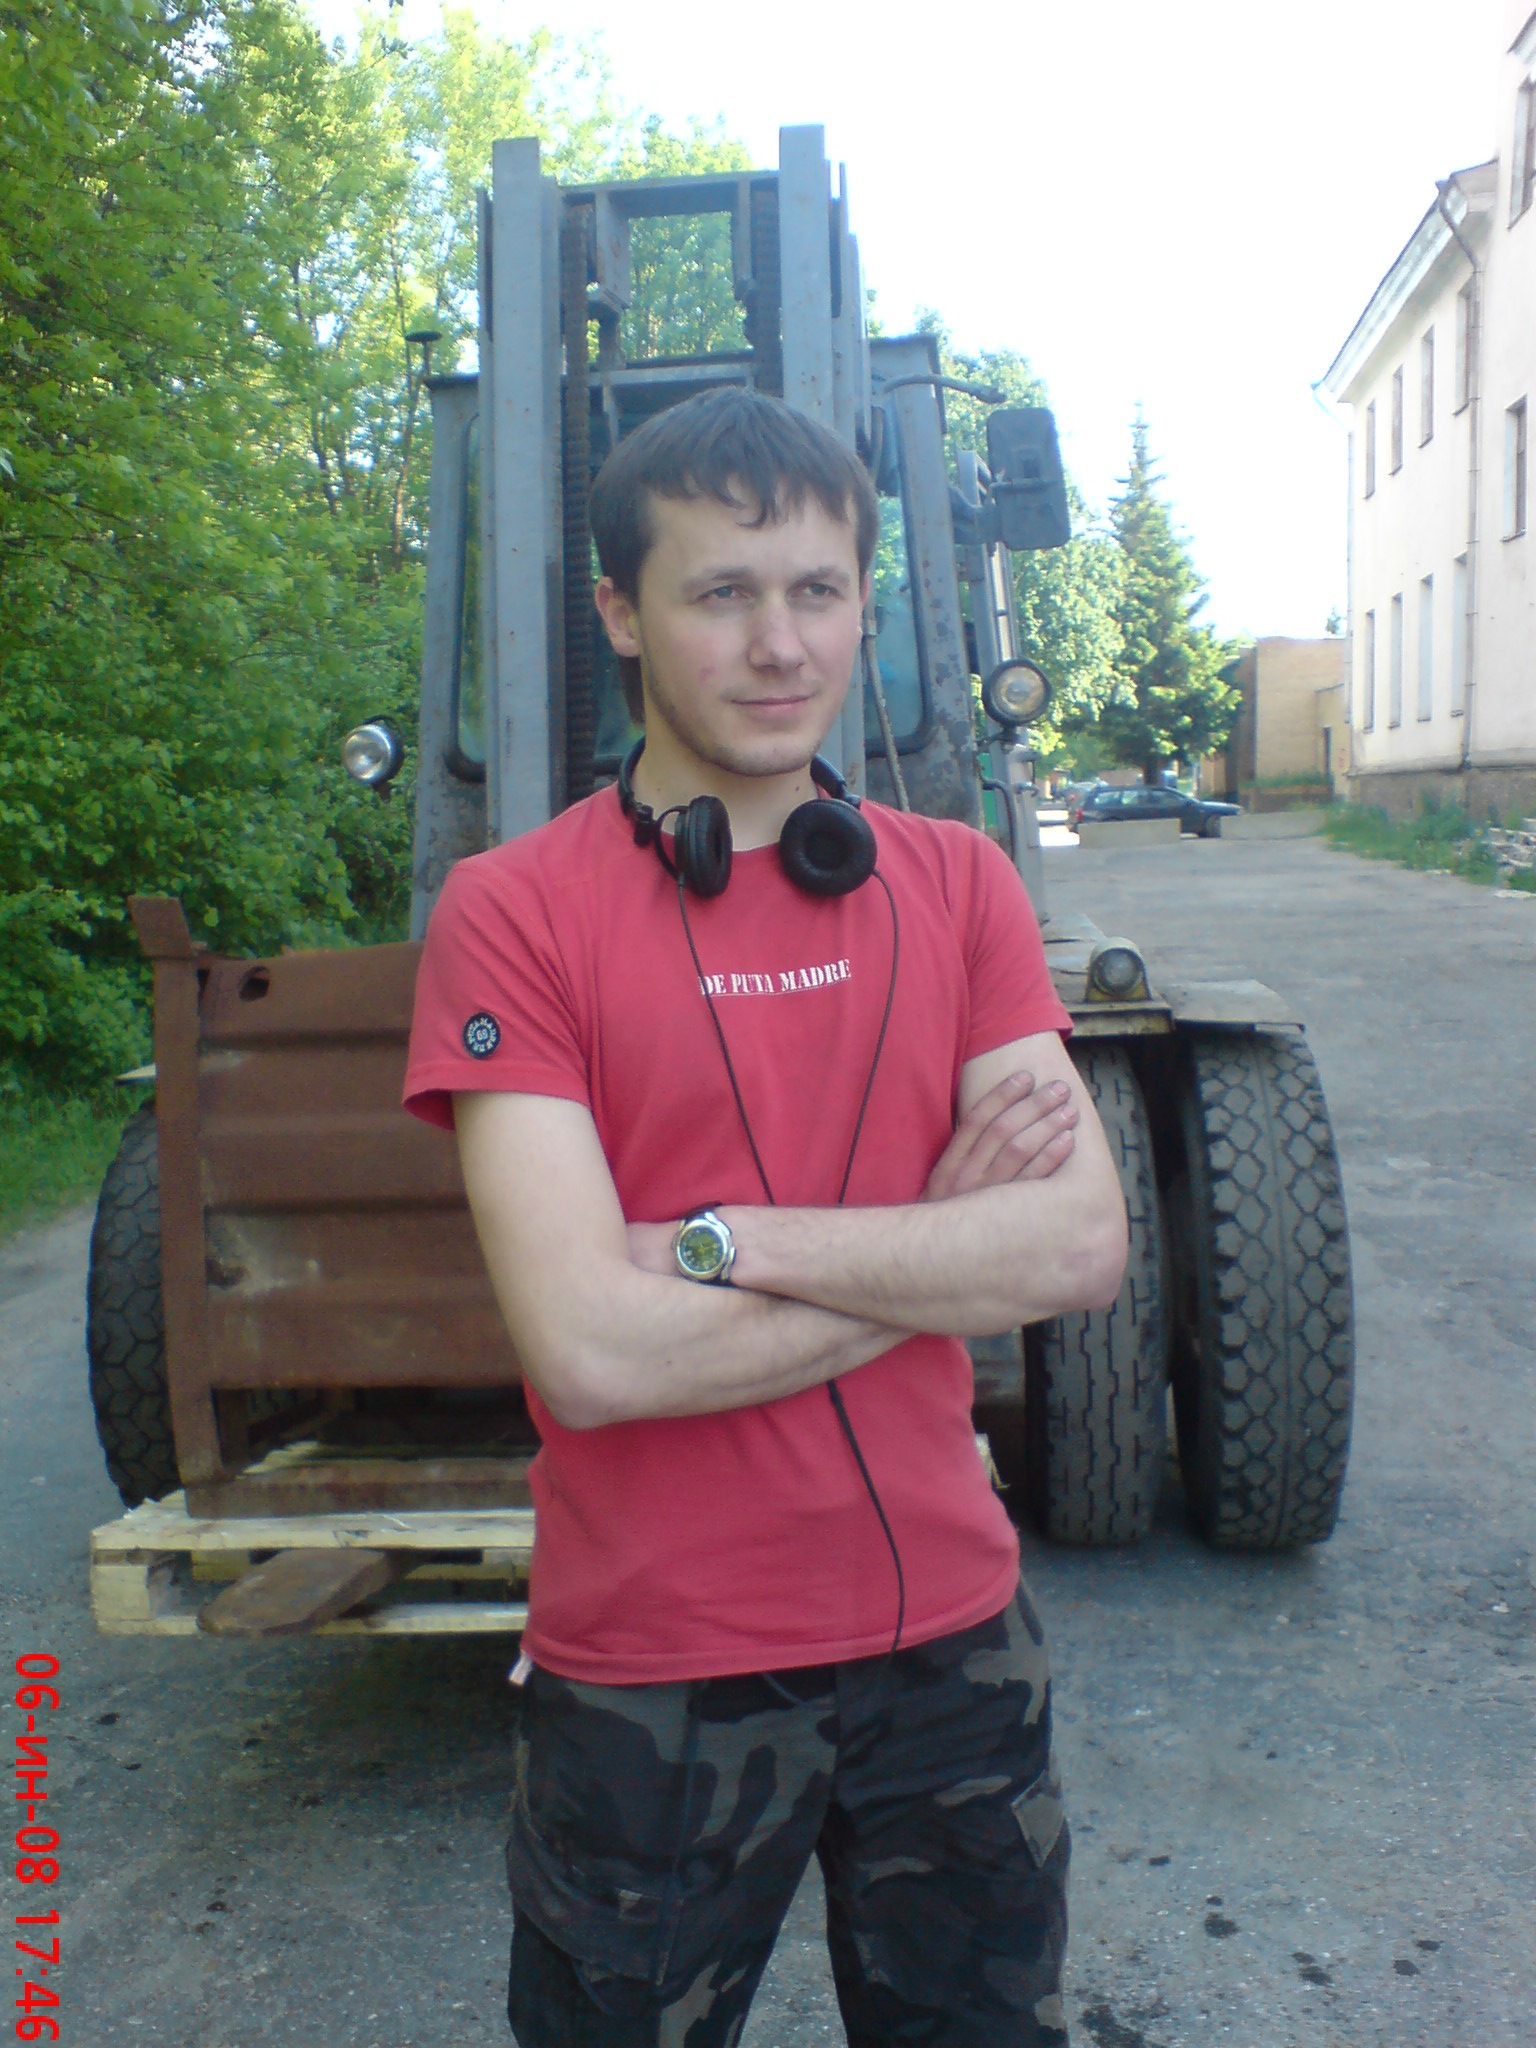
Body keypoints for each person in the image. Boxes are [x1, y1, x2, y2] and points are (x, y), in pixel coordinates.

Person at [402, 388, 1128, 2047]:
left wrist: (722, 1242)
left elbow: (1079, 1247)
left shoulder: (960, 883)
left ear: (865, 601)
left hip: (957, 1646)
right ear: (620, 613)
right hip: (655, 1668)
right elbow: (593, 1355)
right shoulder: (512, 915)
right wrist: (943, 1252)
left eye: (817, 590)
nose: (780, 643)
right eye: (720, 593)